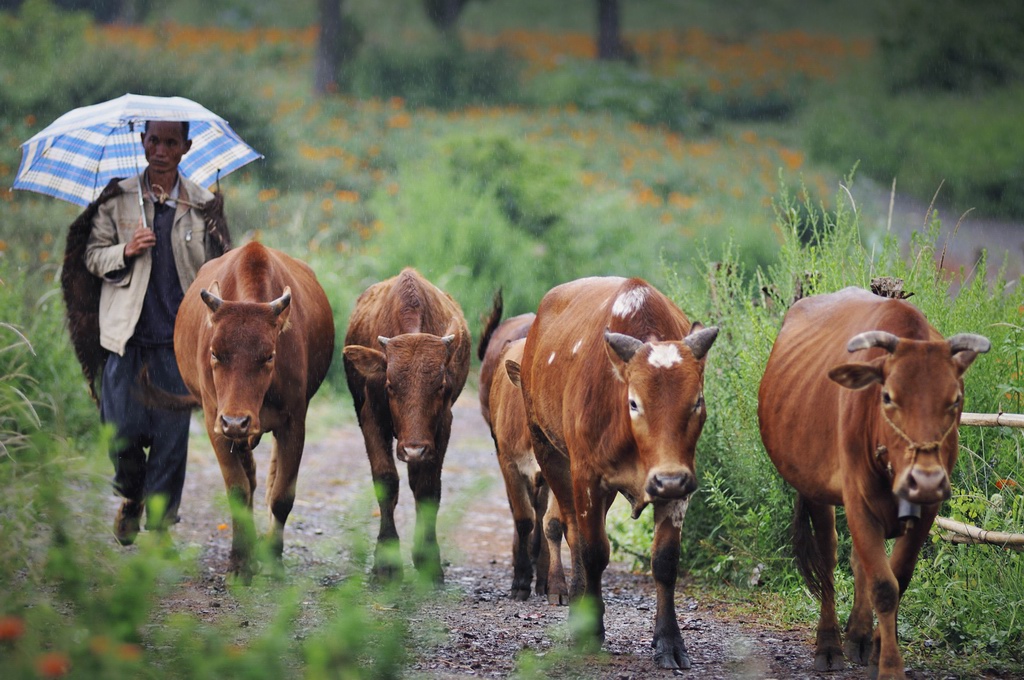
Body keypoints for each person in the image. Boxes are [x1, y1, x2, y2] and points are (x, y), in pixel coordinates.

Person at [83, 120, 222, 545]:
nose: (160, 150)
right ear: (142, 142)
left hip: (176, 341)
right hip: (125, 336)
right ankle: (131, 494)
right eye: (153, 140)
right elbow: (91, 256)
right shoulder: (118, 199)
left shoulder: (201, 205)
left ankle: (161, 529)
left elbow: (218, 268)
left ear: (186, 147)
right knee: (119, 431)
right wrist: (125, 250)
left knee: (170, 440)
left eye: (170, 142)